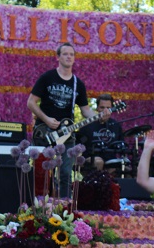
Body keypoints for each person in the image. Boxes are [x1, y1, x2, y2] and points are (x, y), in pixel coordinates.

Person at [27, 42, 109, 197]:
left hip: (67, 133)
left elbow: (85, 111)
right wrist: (46, 119)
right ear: (58, 57)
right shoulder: (47, 78)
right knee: (42, 172)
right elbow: (31, 102)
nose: (69, 57)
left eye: (72, 54)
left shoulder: (78, 84)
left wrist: (100, 116)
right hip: (45, 131)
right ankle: (39, 205)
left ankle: (65, 206)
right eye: (65, 54)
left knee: (65, 173)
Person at [77, 93, 124, 171]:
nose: (105, 110)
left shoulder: (116, 125)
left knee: (126, 167)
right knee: (99, 162)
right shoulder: (87, 124)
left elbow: (121, 144)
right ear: (97, 108)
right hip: (91, 159)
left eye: (108, 107)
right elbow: (78, 146)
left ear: (112, 109)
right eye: (102, 107)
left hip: (110, 160)